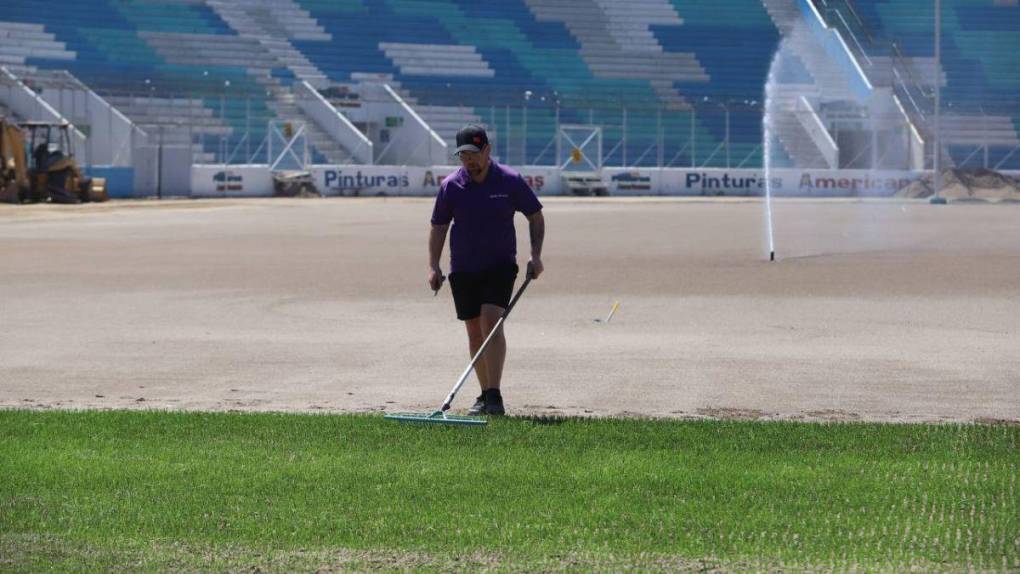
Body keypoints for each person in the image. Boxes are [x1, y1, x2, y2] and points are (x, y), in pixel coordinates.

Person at [428, 125, 545, 416]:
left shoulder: (510, 181)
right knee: (474, 332)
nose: (469, 160)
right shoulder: (451, 186)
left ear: (487, 150)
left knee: (491, 321)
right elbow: (439, 226)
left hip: (500, 266)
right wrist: (434, 266)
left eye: (474, 153)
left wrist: (536, 255)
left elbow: (535, 216)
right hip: (464, 269)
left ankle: (494, 394)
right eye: (463, 155)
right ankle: (483, 395)